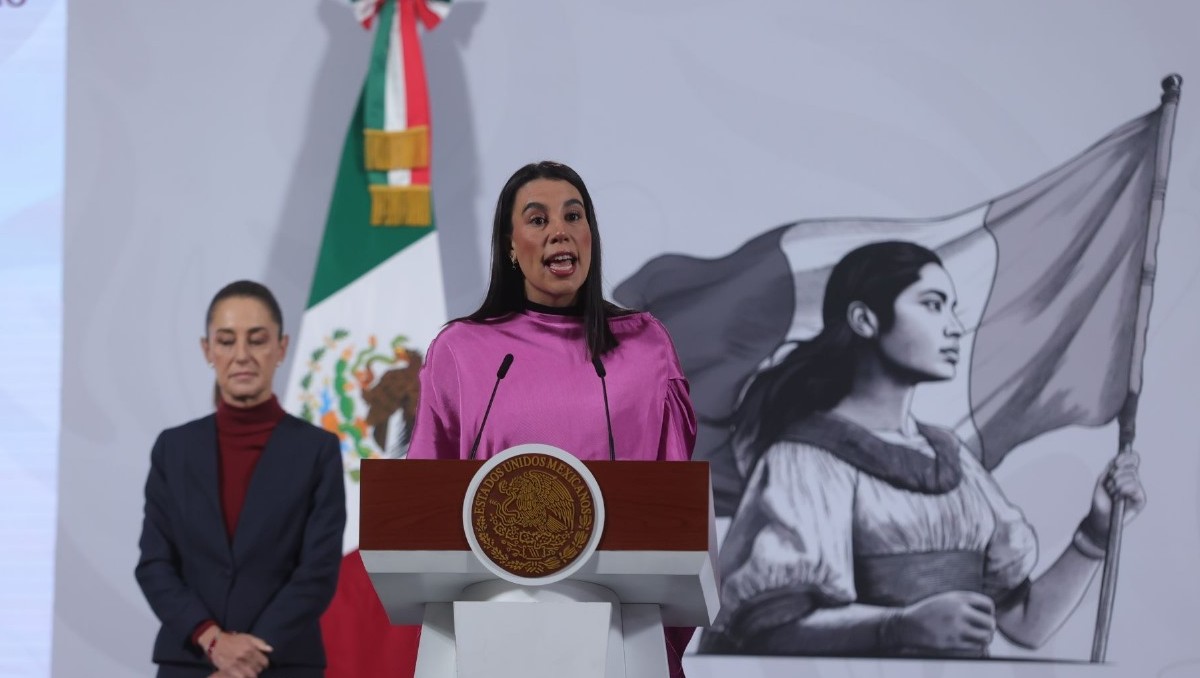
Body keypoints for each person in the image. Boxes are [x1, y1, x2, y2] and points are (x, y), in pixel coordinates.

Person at [697, 241, 1147, 658]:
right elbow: (768, 631)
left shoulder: (953, 460)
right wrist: (898, 627)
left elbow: (1024, 623)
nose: (954, 326)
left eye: (953, 308)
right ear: (864, 320)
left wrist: (1096, 534)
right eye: (932, 305)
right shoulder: (804, 461)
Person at [407, 161, 698, 676]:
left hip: (622, 636)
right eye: (538, 219)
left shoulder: (644, 345)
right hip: (489, 634)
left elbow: (674, 511)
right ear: (510, 246)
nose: (560, 230)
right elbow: (420, 515)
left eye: (574, 215)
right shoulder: (461, 352)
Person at [135, 281, 346, 677]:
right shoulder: (173, 449)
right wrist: (213, 640)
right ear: (207, 350)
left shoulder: (318, 450)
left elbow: (317, 572)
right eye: (227, 341)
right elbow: (155, 564)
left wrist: (244, 656)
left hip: (281, 661)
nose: (242, 355)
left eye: (258, 340)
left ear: (281, 348)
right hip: (191, 661)